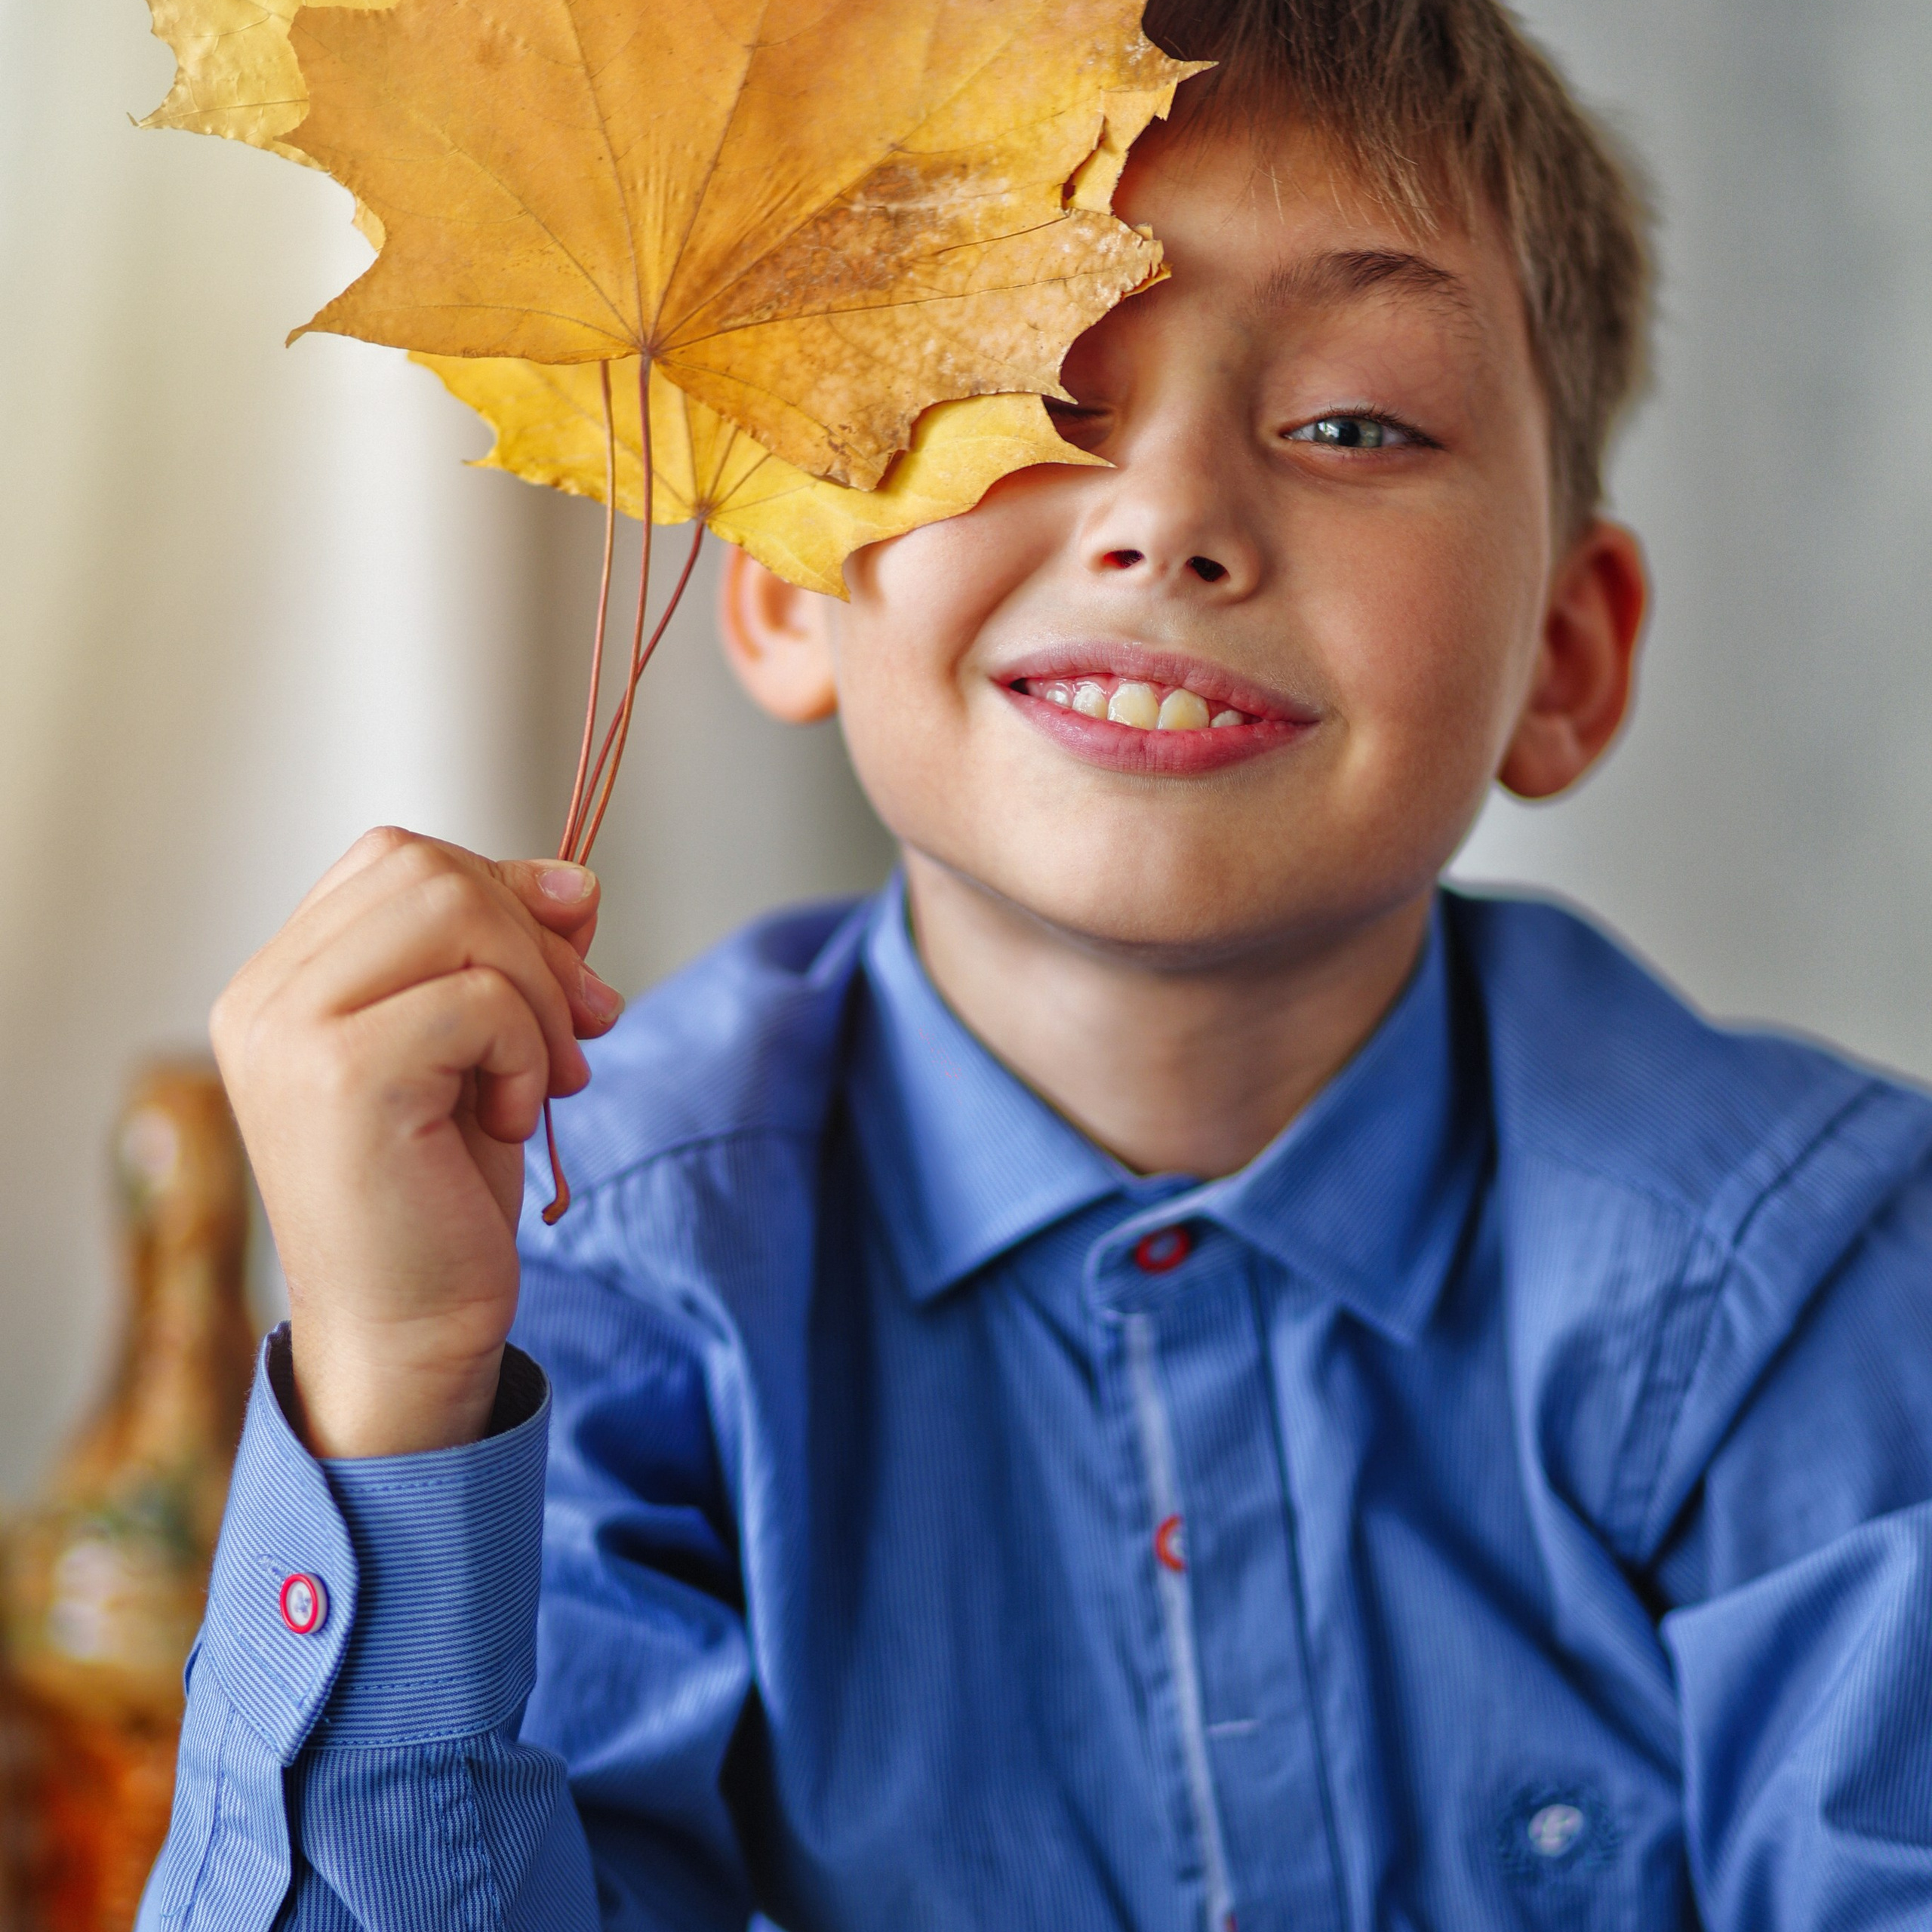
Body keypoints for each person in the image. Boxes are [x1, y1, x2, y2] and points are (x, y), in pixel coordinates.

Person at [140, 0, 1932, 1926]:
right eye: (1039, 387)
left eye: (1351, 420)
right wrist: (400, 1386)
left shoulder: (1801, 1281)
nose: (1167, 518)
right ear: (778, 569)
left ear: (1565, 657)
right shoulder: (590, 1269)